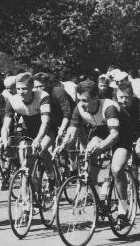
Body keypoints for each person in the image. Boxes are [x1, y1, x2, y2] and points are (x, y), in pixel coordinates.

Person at [57, 80, 132, 224]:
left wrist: (101, 147)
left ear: (96, 98)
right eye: (79, 100)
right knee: (87, 155)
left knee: (116, 169)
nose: (82, 103)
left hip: (122, 134)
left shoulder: (108, 107)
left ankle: (123, 210)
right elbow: (72, 132)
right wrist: (62, 145)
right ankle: (98, 197)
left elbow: (115, 135)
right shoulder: (79, 107)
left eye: (85, 100)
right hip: (101, 131)